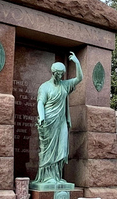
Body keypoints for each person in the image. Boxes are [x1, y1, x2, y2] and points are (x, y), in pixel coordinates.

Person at [33, 52, 83, 186]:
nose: (61, 76)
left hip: (61, 122)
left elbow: (79, 78)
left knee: (61, 148)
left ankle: (56, 176)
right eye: (58, 74)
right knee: (48, 149)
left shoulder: (64, 85)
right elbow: (40, 103)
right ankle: (47, 178)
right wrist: (42, 118)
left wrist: (77, 62)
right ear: (53, 73)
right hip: (49, 121)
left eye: (62, 74)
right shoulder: (45, 87)